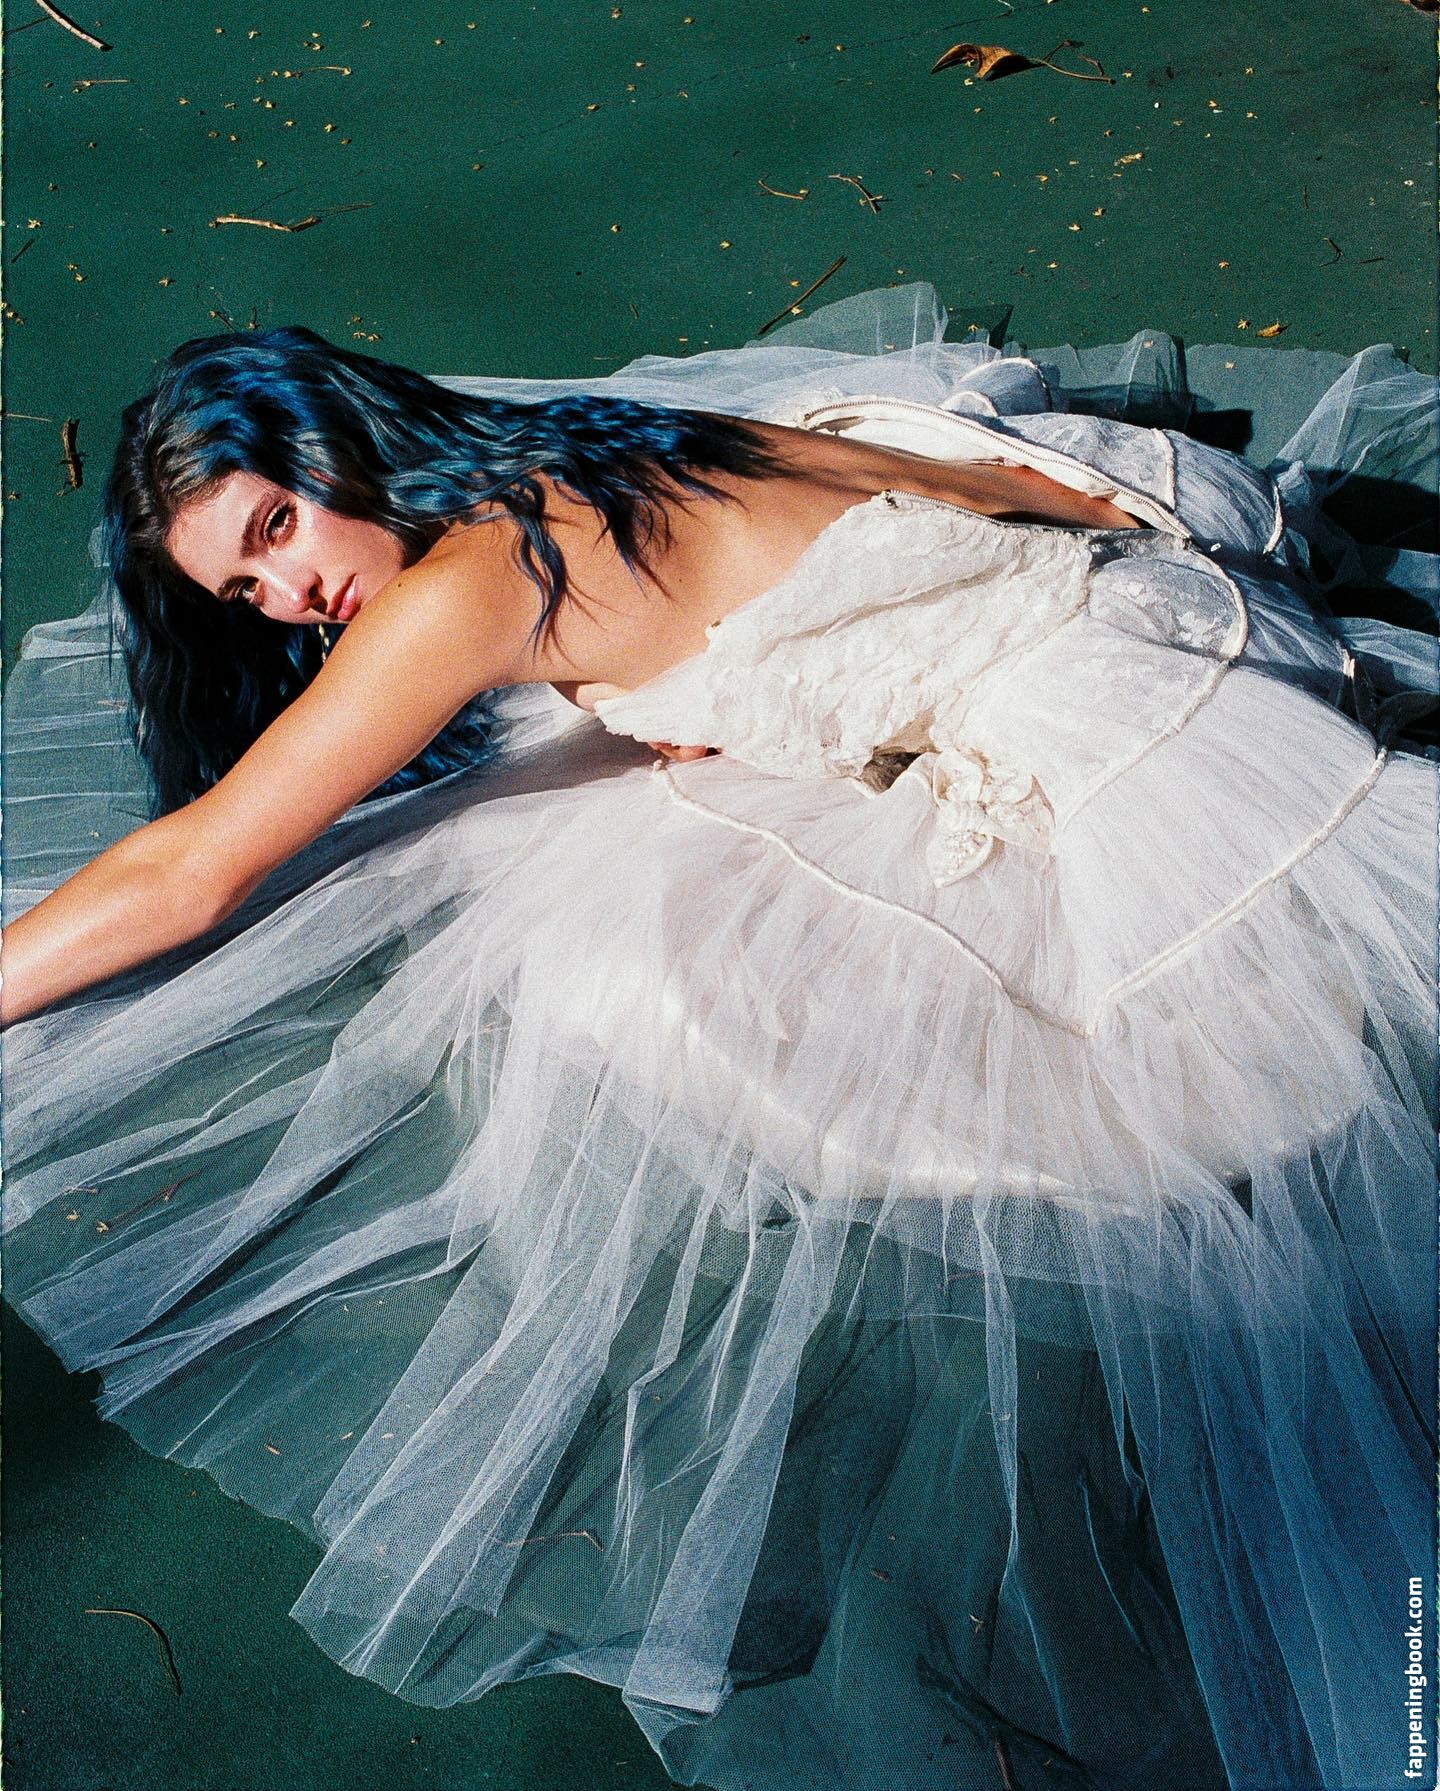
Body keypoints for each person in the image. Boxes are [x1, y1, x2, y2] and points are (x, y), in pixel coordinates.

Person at [2, 282, 1436, 1791]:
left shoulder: (467, 586)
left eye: (277, 529)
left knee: (648, 980)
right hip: (1152, 586)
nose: (288, 596)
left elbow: (195, 869)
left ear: (332, 449)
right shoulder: (569, 450)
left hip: (1127, 721)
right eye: (243, 592)